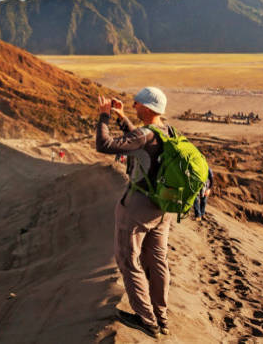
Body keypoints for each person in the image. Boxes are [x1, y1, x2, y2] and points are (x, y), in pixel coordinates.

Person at [95, 87, 172, 338]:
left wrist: (104, 117)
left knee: (128, 259)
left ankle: (146, 319)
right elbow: (141, 142)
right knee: (157, 261)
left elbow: (104, 145)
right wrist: (121, 117)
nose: (134, 105)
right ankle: (161, 317)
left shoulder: (144, 134)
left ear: (148, 108)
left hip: (138, 207)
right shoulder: (169, 131)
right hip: (163, 207)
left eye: (137, 103)